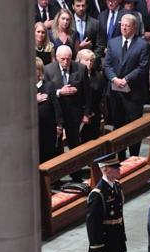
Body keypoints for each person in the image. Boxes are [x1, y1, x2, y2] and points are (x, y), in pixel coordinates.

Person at [103, 13, 150, 157]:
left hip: (134, 94)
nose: (123, 28)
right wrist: (114, 79)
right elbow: (107, 65)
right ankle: (120, 155)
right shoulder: (113, 42)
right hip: (116, 94)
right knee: (118, 125)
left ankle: (134, 155)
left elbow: (143, 67)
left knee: (134, 127)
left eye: (127, 25)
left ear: (134, 27)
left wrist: (127, 79)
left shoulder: (142, 45)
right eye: (122, 25)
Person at [43, 44, 91, 181]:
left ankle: (76, 174)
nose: (65, 62)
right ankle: (56, 178)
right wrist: (60, 92)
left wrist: (86, 113)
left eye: (68, 59)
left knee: (74, 145)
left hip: (74, 114)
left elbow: (87, 93)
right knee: (56, 147)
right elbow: (47, 92)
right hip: (56, 115)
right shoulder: (48, 70)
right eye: (63, 59)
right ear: (57, 58)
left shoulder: (80, 69)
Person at [36, 57, 63, 163]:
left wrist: (59, 125)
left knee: (50, 155)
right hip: (35, 129)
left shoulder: (48, 86)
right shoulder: (26, 88)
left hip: (49, 128)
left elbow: (56, 107)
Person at [76, 49, 105, 142]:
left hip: (93, 115)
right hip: (77, 114)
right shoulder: (74, 74)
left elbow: (101, 96)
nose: (89, 63)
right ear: (79, 61)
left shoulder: (98, 76)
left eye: (91, 60)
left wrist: (93, 112)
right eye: (86, 60)